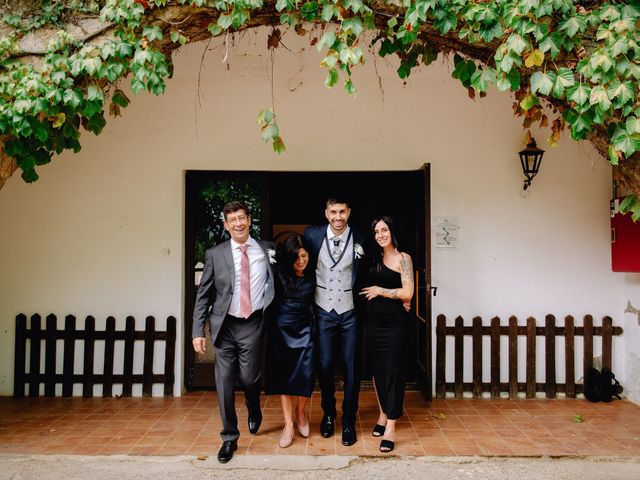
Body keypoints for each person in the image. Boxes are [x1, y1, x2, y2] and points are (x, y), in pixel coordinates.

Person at [192, 200, 276, 464]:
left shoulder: (267, 250)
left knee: (251, 377)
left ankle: (253, 405)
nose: (238, 223)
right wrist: (198, 331)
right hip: (225, 326)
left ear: (249, 220)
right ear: (226, 225)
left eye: (242, 218)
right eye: (233, 220)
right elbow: (203, 295)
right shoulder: (215, 254)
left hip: (253, 322)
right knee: (225, 382)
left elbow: (280, 284)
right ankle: (229, 437)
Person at [304, 197, 365, 446]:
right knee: (325, 365)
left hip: (350, 311)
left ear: (349, 212)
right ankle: (329, 414)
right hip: (323, 309)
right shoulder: (312, 234)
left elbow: (369, 269)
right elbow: (302, 264)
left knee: (352, 368)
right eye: (333, 212)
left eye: (342, 212)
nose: (338, 217)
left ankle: (349, 419)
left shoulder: (361, 237)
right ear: (326, 213)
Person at [360, 215, 414, 453]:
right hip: (372, 322)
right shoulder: (373, 257)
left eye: (384, 230)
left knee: (392, 371)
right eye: (376, 232)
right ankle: (383, 414)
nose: (380, 235)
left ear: (392, 231)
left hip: (394, 324)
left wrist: (381, 290)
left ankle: (391, 425)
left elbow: (408, 292)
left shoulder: (404, 259)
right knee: (376, 370)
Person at [265, 234, 315, 448]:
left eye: (304, 256)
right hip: (282, 328)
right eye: (296, 257)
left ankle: (301, 414)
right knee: (285, 378)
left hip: (306, 328)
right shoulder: (279, 273)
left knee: (305, 375)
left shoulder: (314, 275)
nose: (301, 260)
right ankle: (288, 425)